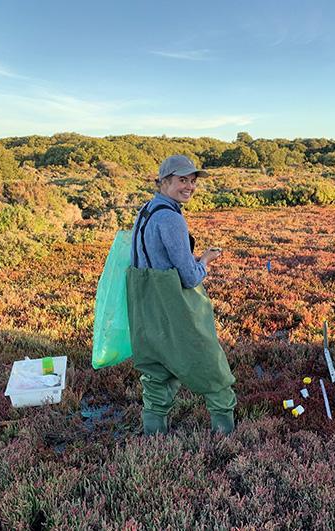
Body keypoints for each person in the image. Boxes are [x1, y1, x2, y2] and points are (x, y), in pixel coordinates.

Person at [127, 155, 236, 435]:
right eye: (181, 180)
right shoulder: (171, 219)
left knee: (156, 369)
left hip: (144, 305)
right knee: (209, 363)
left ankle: (154, 436)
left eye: (192, 181)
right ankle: (226, 434)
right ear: (163, 182)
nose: (189, 186)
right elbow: (189, 276)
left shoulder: (146, 210)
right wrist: (205, 261)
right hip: (173, 304)